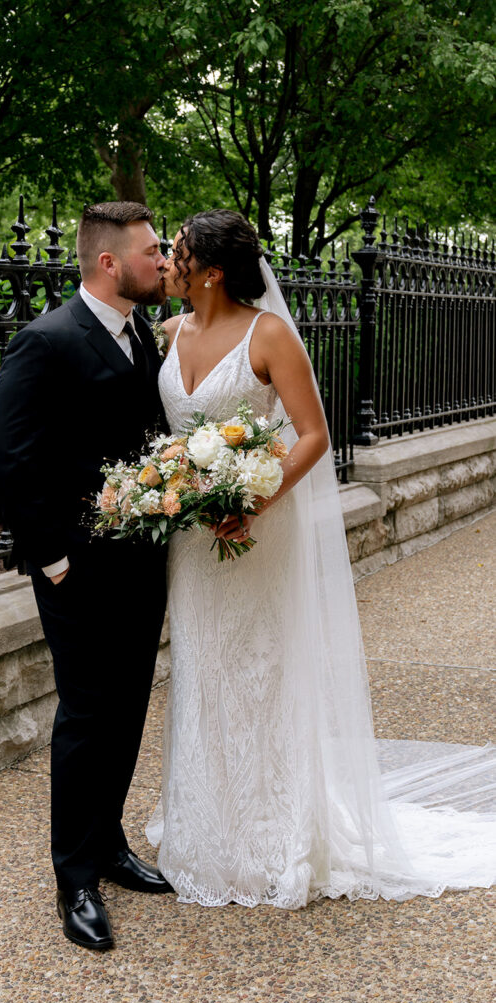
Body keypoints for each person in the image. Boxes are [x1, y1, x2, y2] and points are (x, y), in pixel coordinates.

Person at [146, 208, 496, 908]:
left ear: (210, 272)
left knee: (259, 667)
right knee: (202, 665)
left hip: (255, 529)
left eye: (176, 251)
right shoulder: (167, 330)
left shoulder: (266, 332)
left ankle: (273, 830)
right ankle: (205, 824)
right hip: (191, 538)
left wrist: (252, 500)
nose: (163, 258)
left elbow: (312, 434)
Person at [0, 201, 173, 951]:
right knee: (86, 711)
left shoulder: (141, 338)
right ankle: (74, 877)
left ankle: (108, 844)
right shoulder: (45, 341)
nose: (164, 261)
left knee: (127, 705)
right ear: (109, 262)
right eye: (152, 251)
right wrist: (54, 559)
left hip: (140, 562)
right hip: (76, 569)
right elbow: (11, 460)